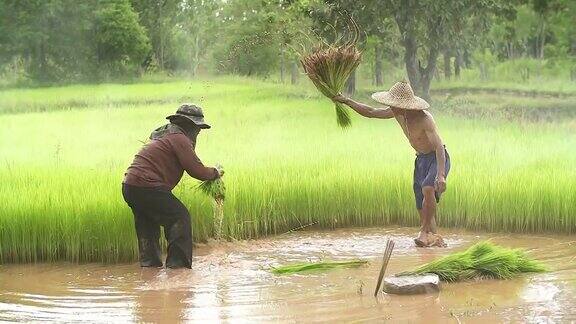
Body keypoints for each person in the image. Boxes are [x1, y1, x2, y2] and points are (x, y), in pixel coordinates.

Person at [333, 81, 450, 247]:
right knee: (420, 203)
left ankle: (423, 232)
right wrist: (347, 101)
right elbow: (371, 112)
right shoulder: (398, 113)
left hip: (436, 158)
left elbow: (438, 147)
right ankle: (434, 238)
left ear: (405, 106)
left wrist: (441, 175)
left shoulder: (424, 119)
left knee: (428, 188)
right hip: (421, 159)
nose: (391, 107)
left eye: (395, 105)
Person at [122, 103, 224, 268]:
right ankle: (178, 269)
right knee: (179, 217)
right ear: (187, 124)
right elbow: (196, 170)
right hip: (148, 186)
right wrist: (216, 172)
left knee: (147, 225)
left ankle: (149, 268)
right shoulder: (179, 138)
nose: (198, 131)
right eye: (197, 127)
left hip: (130, 186)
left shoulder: (164, 135)